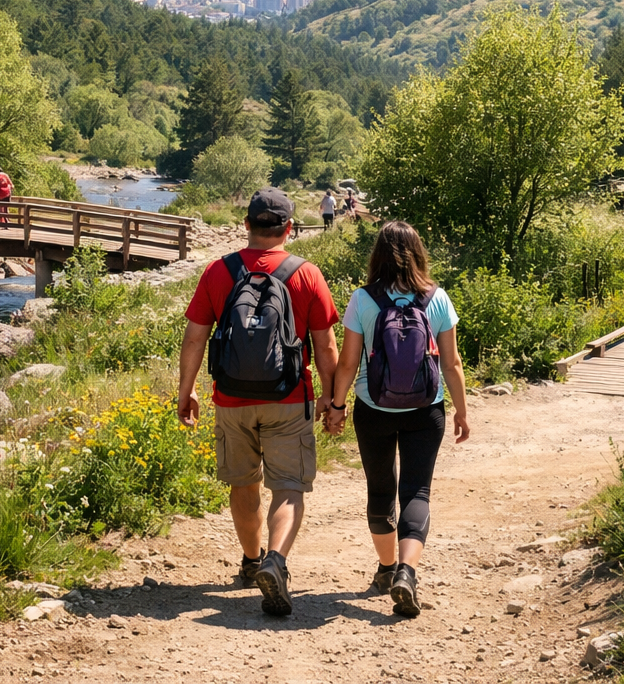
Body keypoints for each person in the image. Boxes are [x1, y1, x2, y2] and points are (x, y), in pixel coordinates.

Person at [177, 187, 340, 617]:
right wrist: (331, 397)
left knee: (242, 483)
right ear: (289, 228)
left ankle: (251, 561)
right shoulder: (306, 274)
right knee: (288, 485)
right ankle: (276, 560)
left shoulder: (218, 271)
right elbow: (325, 345)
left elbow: (196, 336)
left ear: (246, 225)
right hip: (288, 397)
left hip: (231, 399)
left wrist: (186, 389)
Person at [325, 221, 469, 618]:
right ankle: (407, 571)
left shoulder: (363, 299)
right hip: (426, 409)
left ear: (378, 255)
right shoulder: (437, 298)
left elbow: (349, 362)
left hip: (374, 410)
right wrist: (461, 410)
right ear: (419, 253)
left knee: (380, 489)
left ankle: (387, 569)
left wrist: (337, 407)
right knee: (417, 492)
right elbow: (452, 363)